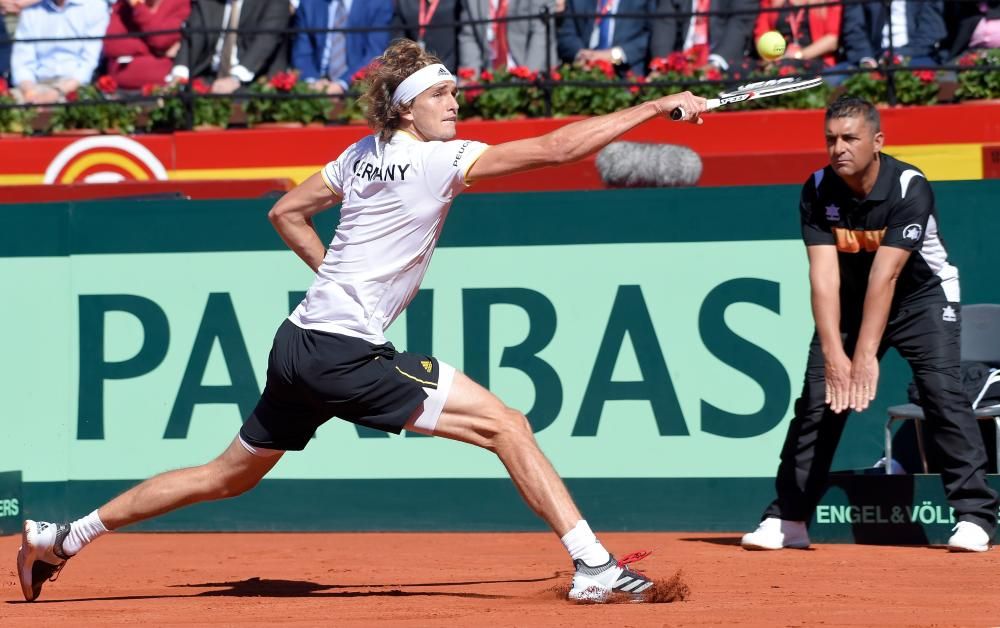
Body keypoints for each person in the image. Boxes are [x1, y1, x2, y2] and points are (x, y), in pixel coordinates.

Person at [17, 37, 708, 604]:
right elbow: (559, 149)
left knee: (226, 475)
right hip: (342, 353)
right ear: (409, 109)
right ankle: (593, 567)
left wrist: (336, 282)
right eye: (440, 94)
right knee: (506, 425)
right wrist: (653, 103)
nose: (453, 102)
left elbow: (285, 212)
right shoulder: (440, 162)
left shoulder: (360, 155)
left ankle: (62, 537)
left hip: (299, 344)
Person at [741, 97, 999, 553]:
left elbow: (888, 275)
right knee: (820, 400)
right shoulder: (817, 189)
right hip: (852, 303)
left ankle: (976, 516)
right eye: (830, 139)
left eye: (849, 138)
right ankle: (790, 517)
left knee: (941, 391)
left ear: (877, 142)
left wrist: (863, 357)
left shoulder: (908, 186)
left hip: (923, 298)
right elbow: (822, 277)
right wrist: (834, 356)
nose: (838, 148)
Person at [166, 0, 290, 95]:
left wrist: (235, 79)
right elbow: (192, 39)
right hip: (209, 77)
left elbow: (265, 41)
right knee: (175, 99)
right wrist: (179, 76)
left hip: (254, 80)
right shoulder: (207, 2)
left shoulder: (274, 2)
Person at [9, 0, 109, 104]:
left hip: (76, 86)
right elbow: (22, 61)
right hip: (36, 85)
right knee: (10, 108)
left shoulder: (95, 6)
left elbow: (89, 63)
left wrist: (57, 91)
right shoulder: (32, 10)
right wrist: (30, 92)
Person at [291, 0, 392, 96]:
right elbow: (302, 53)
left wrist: (342, 83)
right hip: (316, 87)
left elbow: (375, 54)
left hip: (357, 89)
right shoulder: (309, 3)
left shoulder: (378, 3)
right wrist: (312, 82)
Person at [102, 0, 191, 90]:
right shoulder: (123, 5)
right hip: (118, 91)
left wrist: (138, 8)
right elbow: (110, 45)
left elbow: (160, 40)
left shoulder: (179, 3)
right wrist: (156, 50)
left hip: (160, 92)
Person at [650, 0, 755, 72]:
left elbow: (741, 23)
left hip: (723, 64)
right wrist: (662, 65)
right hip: (680, 66)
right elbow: (664, 23)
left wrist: (715, 64)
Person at [557, 0, 653, 77]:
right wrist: (581, 55)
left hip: (626, 74)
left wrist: (614, 55)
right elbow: (566, 34)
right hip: (583, 73)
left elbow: (652, 35)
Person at [457, 0, 556, 73]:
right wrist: (472, 83)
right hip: (489, 77)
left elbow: (540, 34)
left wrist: (528, 81)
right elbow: (469, 36)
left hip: (530, 71)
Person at [753, 0, 842, 70]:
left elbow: (832, 40)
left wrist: (798, 55)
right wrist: (770, 60)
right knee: (743, 68)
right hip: (777, 60)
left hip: (814, 59)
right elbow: (761, 34)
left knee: (786, 66)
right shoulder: (771, 2)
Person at [392, 0, 462, 71]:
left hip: (449, 67)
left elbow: (466, 33)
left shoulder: (456, 2)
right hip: (417, 69)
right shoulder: (403, 2)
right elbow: (398, 37)